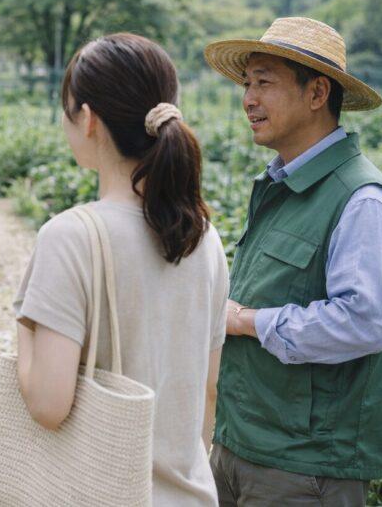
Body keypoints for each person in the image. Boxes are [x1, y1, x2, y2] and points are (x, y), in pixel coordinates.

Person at [14, 33, 228, 506]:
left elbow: (49, 405)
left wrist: (23, 325)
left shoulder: (71, 236)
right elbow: (210, 390)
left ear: (87, 120)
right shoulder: (204, 237)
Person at [203, 17, 382, 507]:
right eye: (247, 83)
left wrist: (246, 321)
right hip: (240, 444)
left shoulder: (362, 200)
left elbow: (363, 322)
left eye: (265, 83)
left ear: (318, 94)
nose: (248, 99)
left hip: (304, 471)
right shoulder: (283, 186)